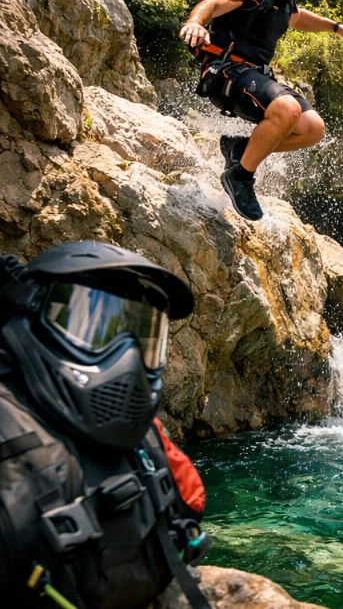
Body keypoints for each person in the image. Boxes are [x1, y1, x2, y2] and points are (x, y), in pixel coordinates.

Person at [0, 241, 213, 609]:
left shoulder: (148, 441)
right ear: (33, 312)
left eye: (143, 337)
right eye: (93, 327)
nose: (126, 360)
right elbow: (192, 505)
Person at [180, 0, 343, 222]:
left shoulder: (284, 1)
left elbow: (300, 18)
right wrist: (195, 22)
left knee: (313, 129)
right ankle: (240, 178)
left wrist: (336, 27)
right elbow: (215, 3)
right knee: (288, 109)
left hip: (253, 75)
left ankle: (241, 150)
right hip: (226, 72)